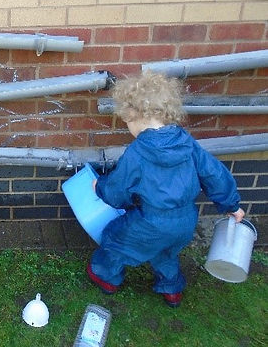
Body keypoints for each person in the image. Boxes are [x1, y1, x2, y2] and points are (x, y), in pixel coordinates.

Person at [86, 71, 245, 307]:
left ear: (135, 116)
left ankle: (105, 276)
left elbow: (118, 191)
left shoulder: (138, 152)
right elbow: (214, 173)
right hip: (185, 221)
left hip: (152, 222)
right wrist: (232, 205)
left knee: (115, 239)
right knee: (166, 253)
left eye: (127, 120)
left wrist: (100, 187)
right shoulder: (187, 142)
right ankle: (171, 290)